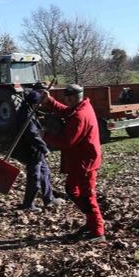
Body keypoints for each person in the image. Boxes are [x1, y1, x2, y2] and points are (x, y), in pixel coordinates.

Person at [38, 84, 105, 242]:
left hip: (85, 162)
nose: (65, 101)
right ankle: (91, 220)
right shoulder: (82, 107)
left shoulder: (80, 116)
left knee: (87, 196)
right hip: (79, 160)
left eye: (67, 99)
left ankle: (97, 231)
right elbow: (66, 111)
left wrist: (44, 135)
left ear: (73, 98)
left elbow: (67, 141)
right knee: (71, 189)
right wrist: (50, 101)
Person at [12, 89, 58, 212]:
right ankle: (28, 204)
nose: (41, 105)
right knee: (35, 178)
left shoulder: (28, 111)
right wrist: (44, 148)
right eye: (39, 103)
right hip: (31, 151)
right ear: (33, 103)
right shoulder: (25, 116)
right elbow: (32, 135)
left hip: (36, 151)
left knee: (45, 173)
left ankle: (49, 199)